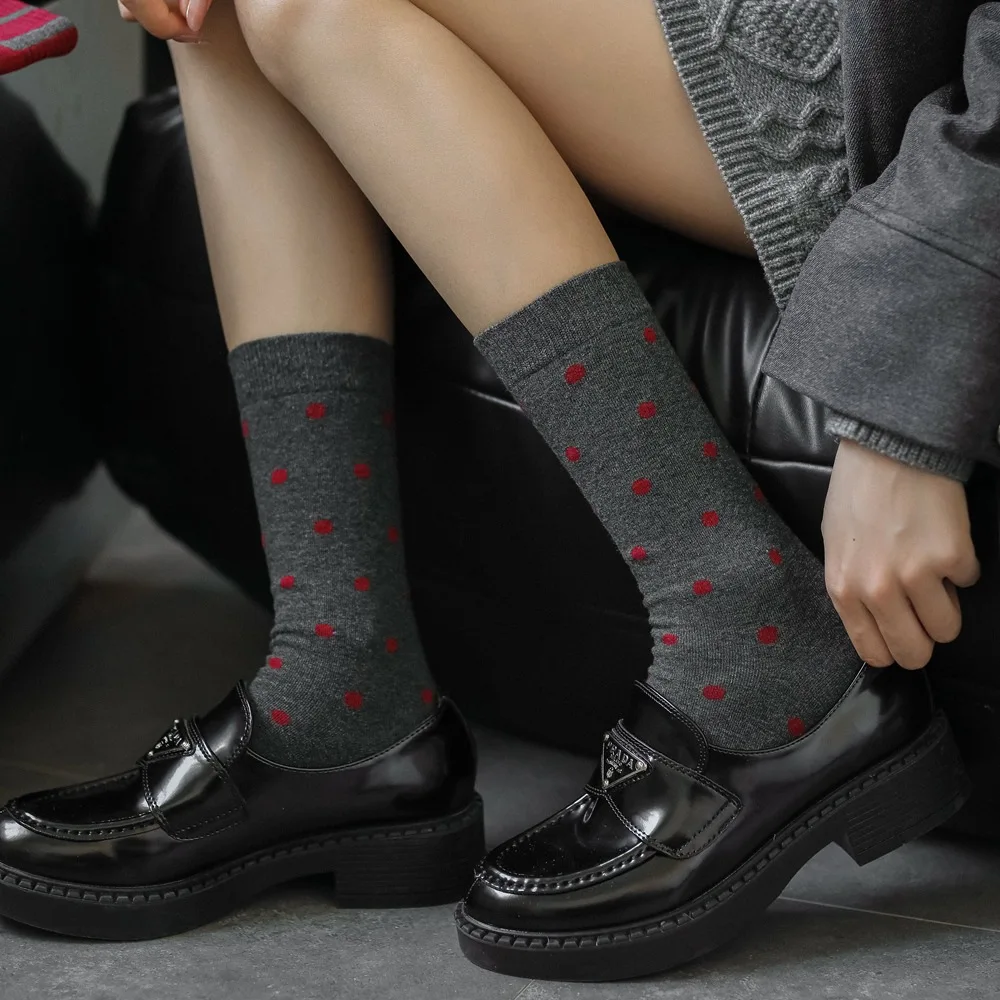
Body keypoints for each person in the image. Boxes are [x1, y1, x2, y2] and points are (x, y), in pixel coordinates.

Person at [0, 0, 993, 982]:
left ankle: (753, 625)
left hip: (903, 98)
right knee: (209, 9)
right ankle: (339, 680)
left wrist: (903, 389)